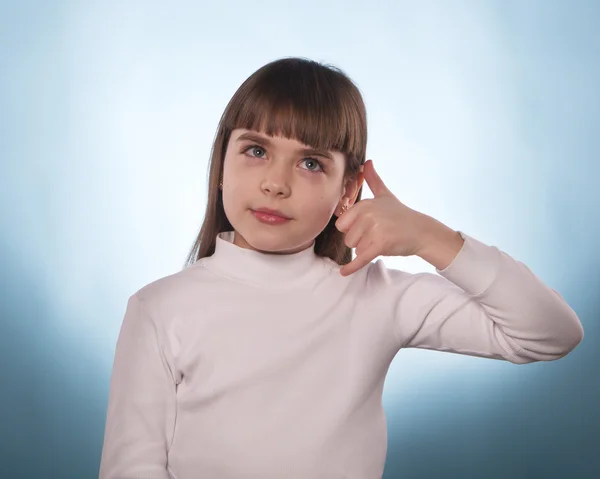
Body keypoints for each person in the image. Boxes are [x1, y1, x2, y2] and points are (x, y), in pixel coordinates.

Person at [98, 57, 584, 479]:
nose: (275, 183)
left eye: (310, 163)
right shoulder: (159, 310)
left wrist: (427, 236)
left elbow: (549, 333)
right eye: (256, 150)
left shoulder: (378, 297)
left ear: (348, 190)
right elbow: (132, 468)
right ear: (221, 163)